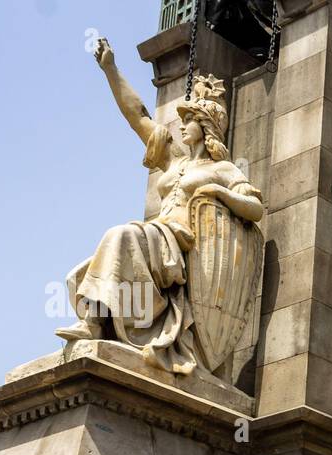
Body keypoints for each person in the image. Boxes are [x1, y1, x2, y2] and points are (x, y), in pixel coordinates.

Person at [60, 39, 264, 375]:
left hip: (179, 245)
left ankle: (94, 325)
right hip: (157, 239)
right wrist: (111, 71)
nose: (181, 124)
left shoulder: (222, 170)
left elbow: (254, 208)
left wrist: (219, 192)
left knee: (121, 235)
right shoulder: (173, 159)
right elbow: (137, 116)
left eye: (189, 119)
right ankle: (99, 324)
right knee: (88, 267)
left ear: (206, 125)